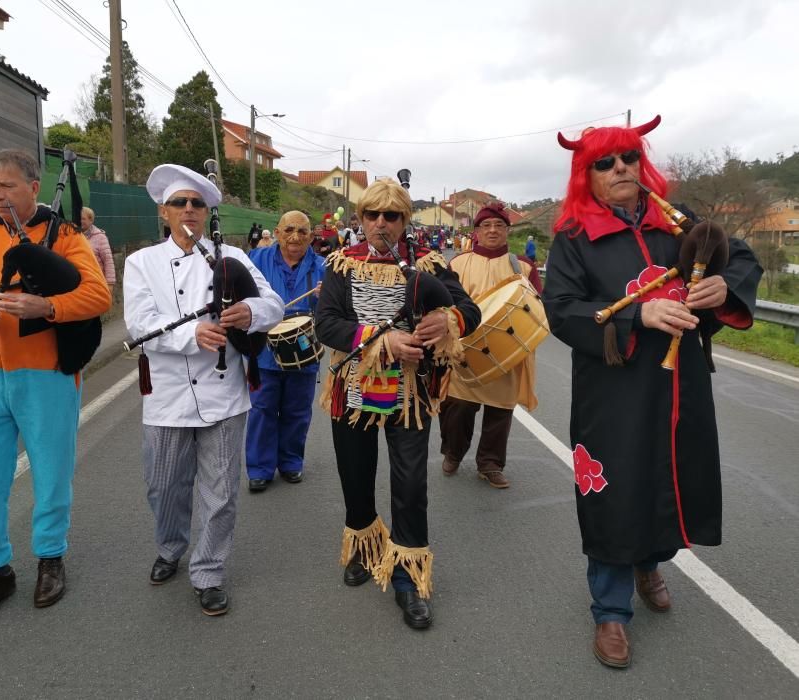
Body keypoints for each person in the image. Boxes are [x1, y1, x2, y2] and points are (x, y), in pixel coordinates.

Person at [542, 116, 761, 668]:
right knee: (616, 491)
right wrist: (639, 314)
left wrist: (722, 286)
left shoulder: (676, 226)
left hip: (678, 387)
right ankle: (610, 611)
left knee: (669, 476)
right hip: (612, 394)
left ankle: (650, 563)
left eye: (629, 159)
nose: (621, 170)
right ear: (585, 175)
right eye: (605, 163)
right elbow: (561, 312)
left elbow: (738, 256)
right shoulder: (574, 240)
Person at [0, 149, 112, 623]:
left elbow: (98, 295)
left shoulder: (66, 235)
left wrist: (48, 309)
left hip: (47, 373)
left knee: (52, 474)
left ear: (34, 188)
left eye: (9, 185)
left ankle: (50, 558)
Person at [315, 178, 480, 630]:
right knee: (356, 475)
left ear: (405, 221)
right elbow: (326, 323)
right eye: (373, 215)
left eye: (391, 216)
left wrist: (446, 320)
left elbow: (468, 309)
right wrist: (382, 338)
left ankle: (409, 578)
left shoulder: (426, 264)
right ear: (361, 220)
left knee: (410, 486)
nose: (381, 224)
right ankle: (365, 549)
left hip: (410, 395)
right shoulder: (341, 265)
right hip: (352, 391)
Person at [124, 164, 284, 616]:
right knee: (163, 485)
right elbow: (139, 324)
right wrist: (189, 335)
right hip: (168, 396)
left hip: (223, 392)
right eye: (180, 203)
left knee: (221, 489)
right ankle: (171, 546)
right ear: (164, 212)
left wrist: (250, 314)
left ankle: (209, 568)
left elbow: (271, 301)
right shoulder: (142, 263)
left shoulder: (231, 255)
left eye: (196, 203)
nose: (189, 210)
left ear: (206, 211)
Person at [439, 202, 544, 487]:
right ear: (476, 232)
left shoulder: (522, 265)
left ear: (507, 231)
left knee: (500, 410)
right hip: (465, 349)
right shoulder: (459, 263)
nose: (493, 230)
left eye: (499, 225)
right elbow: (443, 303)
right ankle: (453, 452)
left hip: (507, 347)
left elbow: (536, 305)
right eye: (486, 226)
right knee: (458, 406)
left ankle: (490, 463)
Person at [246, 211, 326, 492]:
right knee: (261, 409)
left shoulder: (322, 267)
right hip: (264, 351)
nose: (295, 237)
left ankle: (291, 462)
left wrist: (324, 297)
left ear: (312, 237)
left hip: (304, 349)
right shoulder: (255, 261)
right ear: (277, 233)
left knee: (297, 410)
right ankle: (259, 468)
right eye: (289, 230)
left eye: (302, 232)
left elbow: (333, 311)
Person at [80, 206, 116, 289]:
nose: (80, 221)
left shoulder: (100, 238)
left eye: (83, 219)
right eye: (79, 218)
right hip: (79, 283)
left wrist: (110, 284)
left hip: (96, 283)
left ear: (91, 220)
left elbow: (108, 261)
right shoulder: (74, 235)